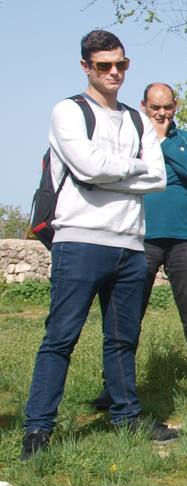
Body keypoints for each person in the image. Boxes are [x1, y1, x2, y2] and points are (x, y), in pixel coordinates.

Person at [22, 29, 171, 460]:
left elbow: (158, 178)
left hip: (129, 244)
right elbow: (86, 168)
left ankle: (127, 416)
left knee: (123, 338)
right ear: (86, 66)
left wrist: (115, 172)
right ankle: (37, 429)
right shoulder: (68, 112)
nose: (114, 73)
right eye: (104, 65)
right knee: (60, 338)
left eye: (121, 65)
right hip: (80, 241)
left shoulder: (139, 119)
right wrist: (133, 170)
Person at [93, 82, 187, 410]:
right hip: (139, 238)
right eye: (154, 108)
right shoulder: (130, 138)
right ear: (143, 106)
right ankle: (114, 387)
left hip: (183, 239)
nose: (161, 113)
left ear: (176, 106)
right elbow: (125, 178)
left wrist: (161, 143)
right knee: (129, 316)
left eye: (167, 107)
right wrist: (158, 155)